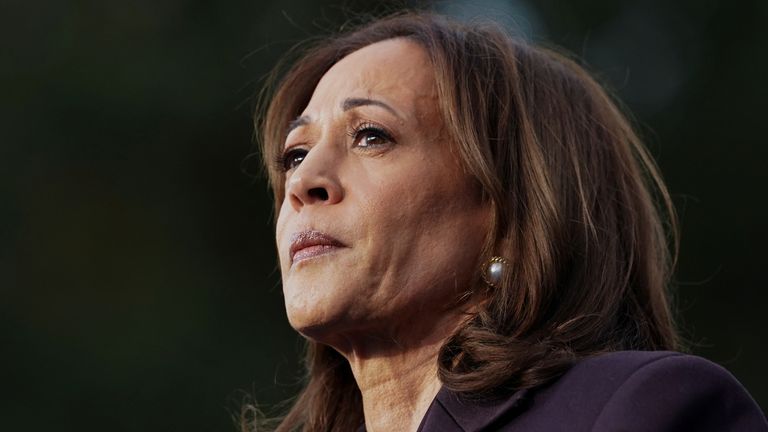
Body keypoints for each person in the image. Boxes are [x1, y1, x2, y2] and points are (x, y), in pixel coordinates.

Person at [247, 11, 768, 432]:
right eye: (295, 154)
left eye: (371, 136)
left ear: (511, 213)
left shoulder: (642, 409)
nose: (302, 182)